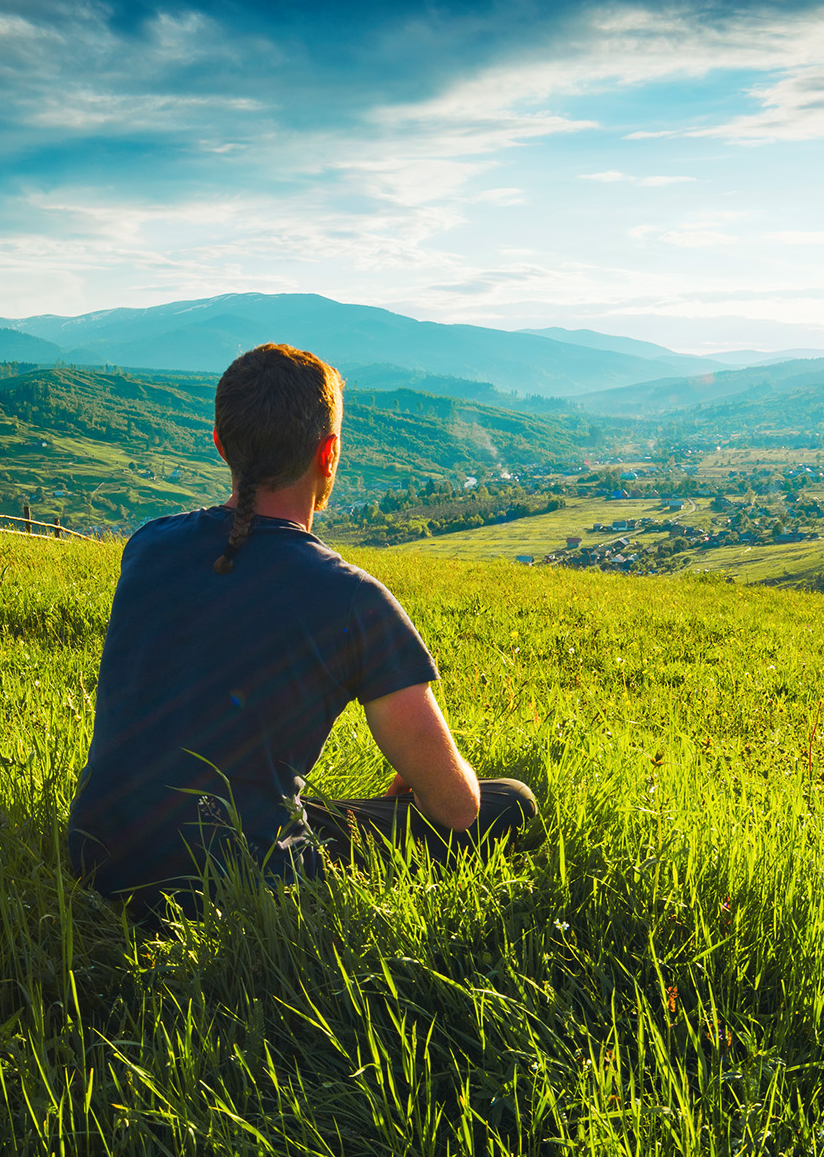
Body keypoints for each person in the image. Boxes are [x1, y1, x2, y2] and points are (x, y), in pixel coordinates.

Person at [65, 343, 539, 906]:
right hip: (233, 883)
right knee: (511, 800)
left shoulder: (147, 546)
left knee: (292, 808)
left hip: (95, 859)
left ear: (222, 446)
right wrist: (430, 777)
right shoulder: (351, 598)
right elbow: (458, 810)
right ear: (329, 454)